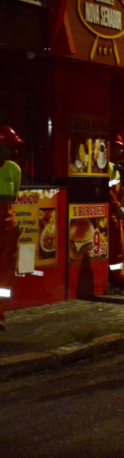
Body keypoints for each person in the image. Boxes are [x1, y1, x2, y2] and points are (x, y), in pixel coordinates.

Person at [0, 126, 23, 331]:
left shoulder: (14, 169)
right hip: (6, 217)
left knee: (6, 266)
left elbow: (14, 196)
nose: (10, 152)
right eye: (7, 147)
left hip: (7, 219)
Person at [107, 135, 124, 292]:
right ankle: (119, 278)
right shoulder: (109, 167)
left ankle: (118, 276)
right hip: (112, 214)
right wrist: (117, 206)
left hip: (115, 213)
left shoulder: (113, 167)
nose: (121, 150)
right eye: (119, 147)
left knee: (118, 247)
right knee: (117, 247)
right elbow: (108, 191)